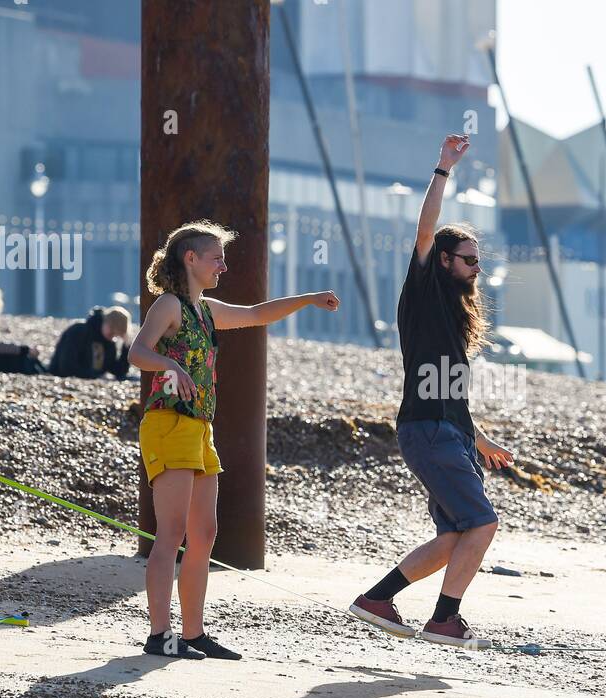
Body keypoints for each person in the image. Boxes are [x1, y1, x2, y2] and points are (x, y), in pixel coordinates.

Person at [129, 220, 339, 660]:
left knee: (204, 533)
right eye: (216, 257)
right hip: (168, 421)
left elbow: (258, 314)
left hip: (199, 427)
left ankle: (193, 633)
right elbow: (138, 352)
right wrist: (172, 367)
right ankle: (159, 634)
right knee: (170, 534)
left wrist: (309, 298)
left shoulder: (206, 310)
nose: (223, 265)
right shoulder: (169, 305)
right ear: (191, 259)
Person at [349, 134, 516, 650]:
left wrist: (480, 441)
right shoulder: (423, 292)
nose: (476, 268)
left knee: (452, 537)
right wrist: (442, 169)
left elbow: (452, 393)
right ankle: (445, 620)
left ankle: (377, 600)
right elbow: (424, 230)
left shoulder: (454, 320)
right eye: (468, 259)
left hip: (448, 433)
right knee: (482, 524)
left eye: (478, 261)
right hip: (428, 431)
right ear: (444, 259)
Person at [50, 305, 132, 380]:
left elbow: (118, 371)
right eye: (112, 332)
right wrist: (96, 376)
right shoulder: (78, 331)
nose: (113, 336)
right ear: (105, 321)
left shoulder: (109, 342)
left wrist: (126, 346)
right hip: (60, 376)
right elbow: (66, 367)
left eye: (116, 335)